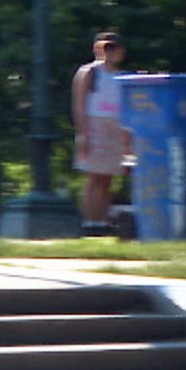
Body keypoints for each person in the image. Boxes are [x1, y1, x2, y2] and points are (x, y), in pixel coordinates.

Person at [71, 31, 129, 235]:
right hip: (94, 125)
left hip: (115, 126)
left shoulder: (122, 77)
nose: (110, 52)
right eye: (106, 47)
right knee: (94, 177)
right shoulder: (89, 72)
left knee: (108, 178)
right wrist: (82, 133)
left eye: (114, 48)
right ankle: (89, 221)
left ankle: (102, 221)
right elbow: (79, 104)